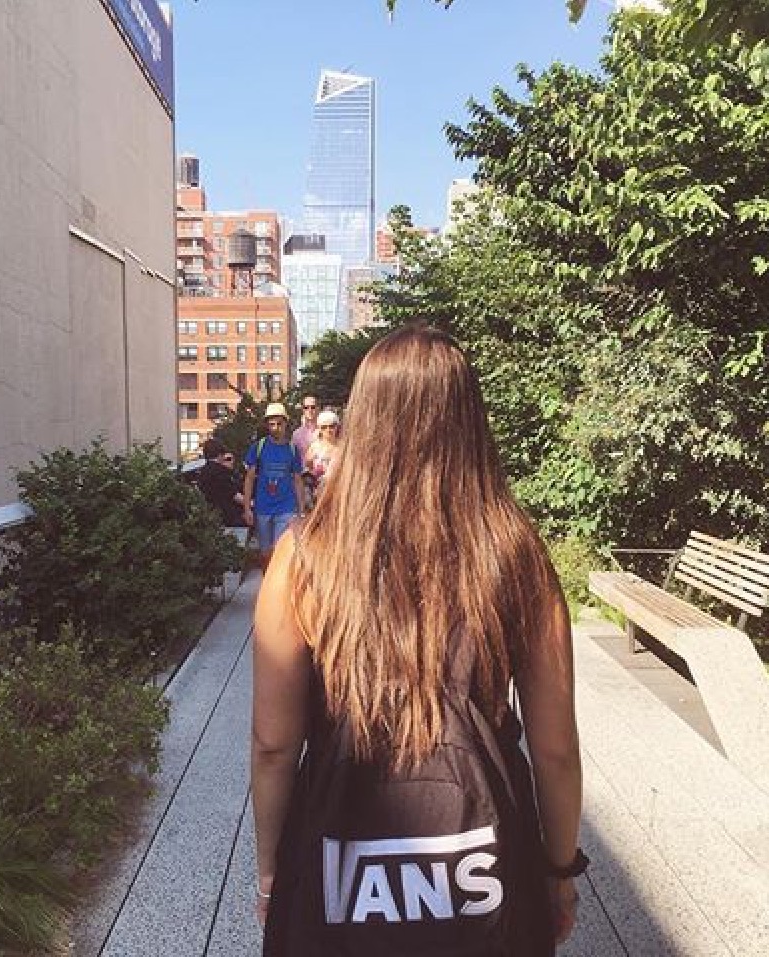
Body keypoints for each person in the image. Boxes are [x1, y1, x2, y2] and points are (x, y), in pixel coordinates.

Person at [250, 326, 583, 955]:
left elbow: (273, 745)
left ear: (365, 421)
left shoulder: (304, 559)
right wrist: (559, 871)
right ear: (469, 421)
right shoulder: (515, 554)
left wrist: (272, 870)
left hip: (337, 873)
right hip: (489, 865)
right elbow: (556, 749)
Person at [243, 403, 308, 568]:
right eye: (272, 424)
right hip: (263, 507)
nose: (276, 428)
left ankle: (278, 582)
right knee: (265, 553)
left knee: (280, 551)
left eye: (279, 423)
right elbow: (249, 478)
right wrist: (247, 508)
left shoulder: (292, 449)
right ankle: (266, 580)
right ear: (267, 425)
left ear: (285, 424)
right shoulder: (259, 447)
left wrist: (301, 510)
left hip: (286, 507)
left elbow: (298, 480)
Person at [193, 438, 245, 527]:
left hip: (211, 515)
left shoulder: (202, 472)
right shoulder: (221, 472)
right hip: (228, 515)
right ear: (220, 454)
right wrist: (252, 504)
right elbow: (234, 495)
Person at [303, 409, 340, 492]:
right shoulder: (314, 446)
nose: (328, 430)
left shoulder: (342, 447)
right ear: (319, 429)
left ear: (337, 427)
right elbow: (307, 467)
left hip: (337, 489)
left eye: (331, 426)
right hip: (317, 490)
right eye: (324, 427)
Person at [291, 395, 320, 463]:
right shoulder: (296, 434)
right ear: (303, 410)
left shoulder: (326, 431)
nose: (310, 410)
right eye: (306, 407)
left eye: (313, 407)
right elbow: (294, 458)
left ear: (318, 408)